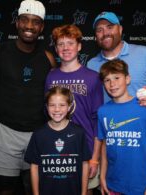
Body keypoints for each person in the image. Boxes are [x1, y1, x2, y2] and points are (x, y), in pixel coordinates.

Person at [0, 0, 56, 194]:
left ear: (41, 28)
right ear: (17, 23)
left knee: (35, 190)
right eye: (25, 20)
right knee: (4, 190)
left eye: (36, 22)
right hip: (6, 133)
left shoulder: (48, 58)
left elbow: (57, 97)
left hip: (38, 135)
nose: (30, 26)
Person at [45, 24, 103, 195]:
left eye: (70, 43)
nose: (65, 48)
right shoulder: (51, 76)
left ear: (79, 46)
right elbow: (46, 114)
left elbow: (97, 120)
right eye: (61, 44)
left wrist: (94, 158)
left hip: (85, 147)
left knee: (85, 191)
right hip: (57, 148)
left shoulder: (92, 78)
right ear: (56, 49)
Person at [98, 59, 146, 195]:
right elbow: (105, 145)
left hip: (142, 186)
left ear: (127, 79)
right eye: (107, 80)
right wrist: (102, 176)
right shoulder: (103, 111)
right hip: (113, 184)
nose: (112, 84)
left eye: (117, 78)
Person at [87, 11, 146, 108]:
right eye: (99, 30)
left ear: (120, 29)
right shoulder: (91, 65)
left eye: (110, 27)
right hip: (108, 122)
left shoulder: (144, 53)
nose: (105, 33)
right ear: (96, 36)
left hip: (141, 122)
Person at [24, 86, 91, 195]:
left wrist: (83, 193)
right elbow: (34, 166)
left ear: (69, 107)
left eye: (62, 105)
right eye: (52, 105)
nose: (57, 109)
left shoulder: (79, 133)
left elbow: (85, 164)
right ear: (46, 107)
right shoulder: (39, 134)